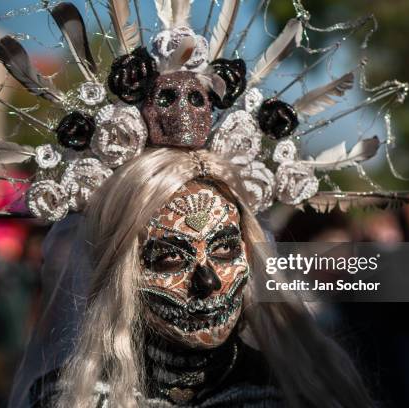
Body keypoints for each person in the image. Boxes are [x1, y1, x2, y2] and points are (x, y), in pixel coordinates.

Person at [23, 148, 373, 408]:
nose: (208, 281)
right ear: (123, 272)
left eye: (223, 251)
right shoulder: (66, 399)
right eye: (172, 257)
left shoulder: (298, 396)